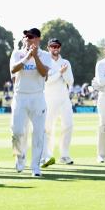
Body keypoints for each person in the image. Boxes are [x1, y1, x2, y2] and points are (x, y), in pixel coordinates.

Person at [9, 28, 52, 177]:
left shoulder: (45, 55)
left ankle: (35, 167)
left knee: (38, 133)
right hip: (20, 96)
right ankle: (19, 158)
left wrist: (35, 57)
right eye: (26, 37)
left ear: (38, 39)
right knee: (16, 132)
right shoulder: (17, 54)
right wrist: (27, 56)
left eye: (31, 37)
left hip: (37, 97)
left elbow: (44, 73)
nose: (27, 39)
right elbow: (14, 69)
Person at [42, 38, 75, 166]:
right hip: (49, 98)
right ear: (48, 48)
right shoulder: (45, 61)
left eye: (57, 47)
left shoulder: (65, 62)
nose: (55, 49)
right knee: (48, 128)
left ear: (59, 48)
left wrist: (64, 73)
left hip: (64, 98)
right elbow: (47, 80)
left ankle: (65, 155)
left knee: (68, 125)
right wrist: (59, 72)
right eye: (52, 46)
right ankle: (48, 155)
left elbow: (70, 81)